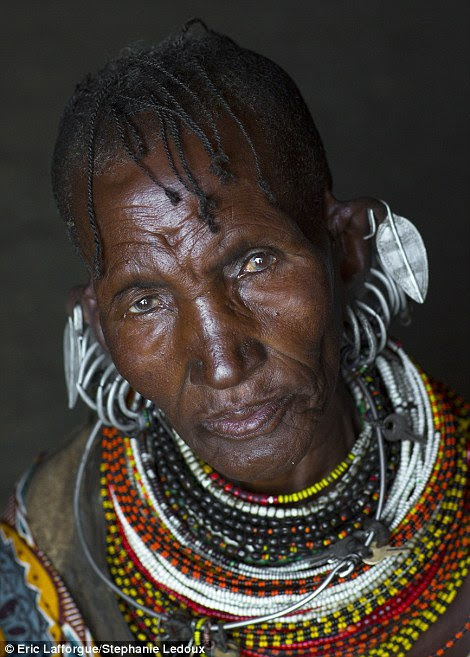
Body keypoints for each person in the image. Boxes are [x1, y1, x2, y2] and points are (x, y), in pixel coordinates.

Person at [1, 20, 468, 657]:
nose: (222, 363)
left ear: (348, 248)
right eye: (145, 301)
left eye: (252, 263)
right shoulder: (54, 550)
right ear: (98, 329)